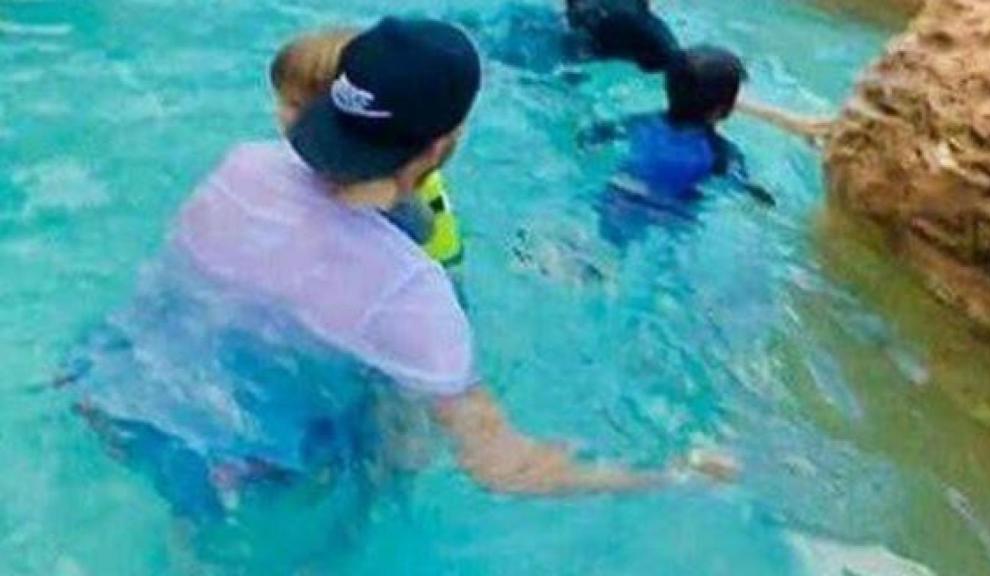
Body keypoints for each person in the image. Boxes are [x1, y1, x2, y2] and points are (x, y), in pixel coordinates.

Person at [65, 18, 735, 520]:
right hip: (240, 469)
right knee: (395, 451)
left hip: (109, 388)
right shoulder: (413, 293)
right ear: (444, 144)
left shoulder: (241, 165)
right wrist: (673, 472)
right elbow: (504, 469)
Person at [271, 28, 464, 267]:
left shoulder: (390, 177)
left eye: (297, 106)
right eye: (282, 100)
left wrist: (383, 197)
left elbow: (420, 227)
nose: (282, 114)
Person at [582, 45, 772, 246]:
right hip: (670, 217)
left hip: (617, 198)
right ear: (722, 111)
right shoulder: (722, 153)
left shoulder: (639, 123)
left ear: (667, 89)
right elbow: (741, 187)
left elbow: (590, 136)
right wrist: (761, 196)